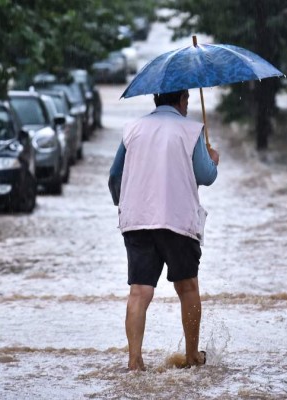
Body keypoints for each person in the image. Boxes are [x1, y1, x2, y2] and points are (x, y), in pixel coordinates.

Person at [108, 89, 220, 371]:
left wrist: (124, 202)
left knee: (139, 292)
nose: (187, 106)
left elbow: (114, 176)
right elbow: (205, 176)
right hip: (177, 220)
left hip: (137, 221)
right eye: (187, 101)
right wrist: (213, 159)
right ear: (182, 100)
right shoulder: (192, 130)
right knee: (187, 286)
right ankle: (192, 356)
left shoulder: (132, 129)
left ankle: (134, 361)